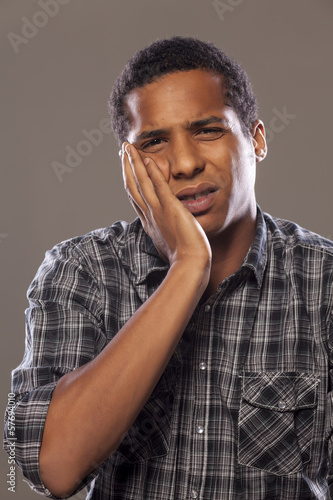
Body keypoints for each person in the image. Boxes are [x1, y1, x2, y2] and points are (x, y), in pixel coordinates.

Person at [4, 36, 333, 500]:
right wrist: (187, 268)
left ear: (257, 139)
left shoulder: (324, 281)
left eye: (207, 130)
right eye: (155, 142)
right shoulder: (82, 271)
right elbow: (53, 467)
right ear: (129, 164)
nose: (184, 163)